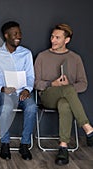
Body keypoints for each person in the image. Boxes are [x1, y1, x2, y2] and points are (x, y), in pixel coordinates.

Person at [34, 23, 93, 166]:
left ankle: (63, 147)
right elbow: (35, 83)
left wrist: (68, 86)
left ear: (67, 40)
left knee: (65, 103)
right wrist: (52, 84)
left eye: (57, 38)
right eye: (52, 36)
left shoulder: (75, 58)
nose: (53, 40)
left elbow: (83, 84)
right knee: (67, 91)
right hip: (48, 96)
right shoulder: (42, 56)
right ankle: (88, 128)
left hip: (66, 98)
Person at [0, 21, 37, 161]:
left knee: (32, 107)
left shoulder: (26, 53)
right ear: (6, 35)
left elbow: (30, 76)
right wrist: (2, 88)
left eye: (19, 33)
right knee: (7, 106)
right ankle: (5, 143)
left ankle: (25, 144)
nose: (19, 36)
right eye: (15, 33)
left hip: (22, 92)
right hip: (4, 94)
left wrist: (27, 89)